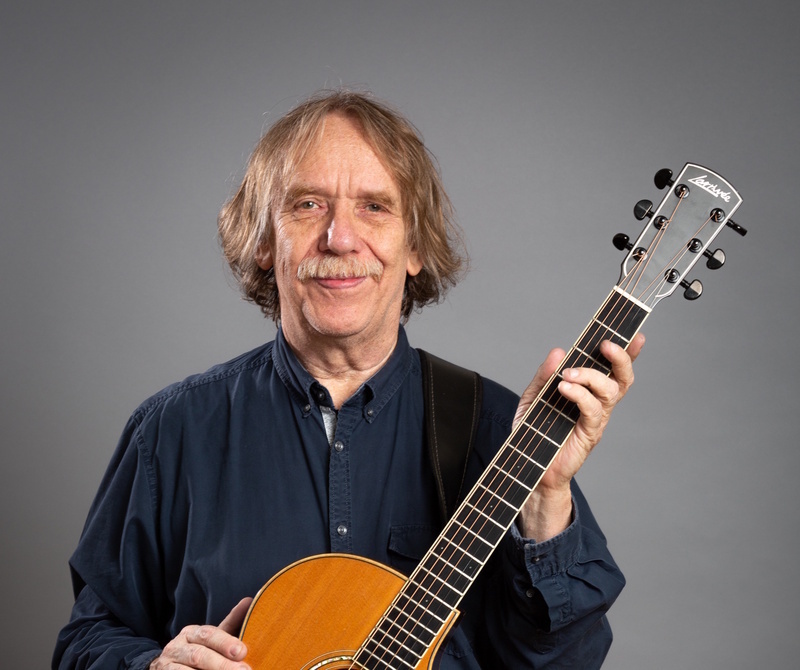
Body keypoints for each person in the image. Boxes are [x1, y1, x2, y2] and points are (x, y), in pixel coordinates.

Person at [53, 90, 643, 670]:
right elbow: (87, 639)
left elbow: (568, 659)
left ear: (415, 247)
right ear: (265, 241)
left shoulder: (503, 433)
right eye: (308, 204)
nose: (339, 238)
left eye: (374, 207)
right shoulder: (172, 432)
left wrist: (546, 498)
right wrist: (153, 667)